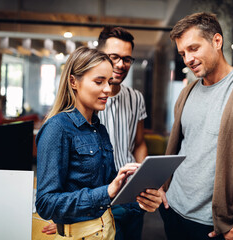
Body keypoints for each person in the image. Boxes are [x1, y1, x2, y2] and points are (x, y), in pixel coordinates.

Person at [159, 12, 233, 240]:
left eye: (193, 49)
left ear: (217, 41)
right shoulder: (187, 93)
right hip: (171, 209)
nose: (187, 59)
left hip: (212, 225)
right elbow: (178, 148)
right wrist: (163, 188)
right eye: (183, 53)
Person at [35, 46, 161, 240]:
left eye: (109, 82)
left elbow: (109, 188)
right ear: (73, 82)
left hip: (107, 230)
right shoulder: (57, 128)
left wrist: (140, 199)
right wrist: (106, 192)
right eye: (99, 82)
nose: (108, 90)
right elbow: (46, 203)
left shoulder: (98, 128)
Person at [97, 26, 148, 240]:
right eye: (114, 57)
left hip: (132, 196)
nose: (120, 64)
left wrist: (145, 179)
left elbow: (139, 143)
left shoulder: (136, 97)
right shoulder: (86, 97)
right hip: (99, 197)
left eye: (126, 59)